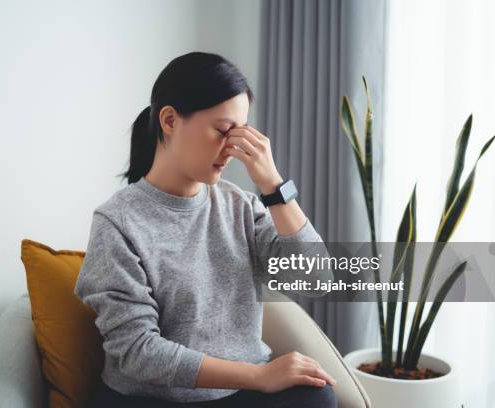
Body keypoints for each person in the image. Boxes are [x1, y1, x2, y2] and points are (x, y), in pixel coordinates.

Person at [74, 51, 337, 408]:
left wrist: (274, 186)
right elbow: (139, 352)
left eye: (240, 134)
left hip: (238, 392)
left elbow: (316, 281)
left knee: (317, 397)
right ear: (169, 120)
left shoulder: (240, 206)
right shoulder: (118, 222)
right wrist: (260, 376)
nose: (231, 148)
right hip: (153, 397)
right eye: (222, 131)